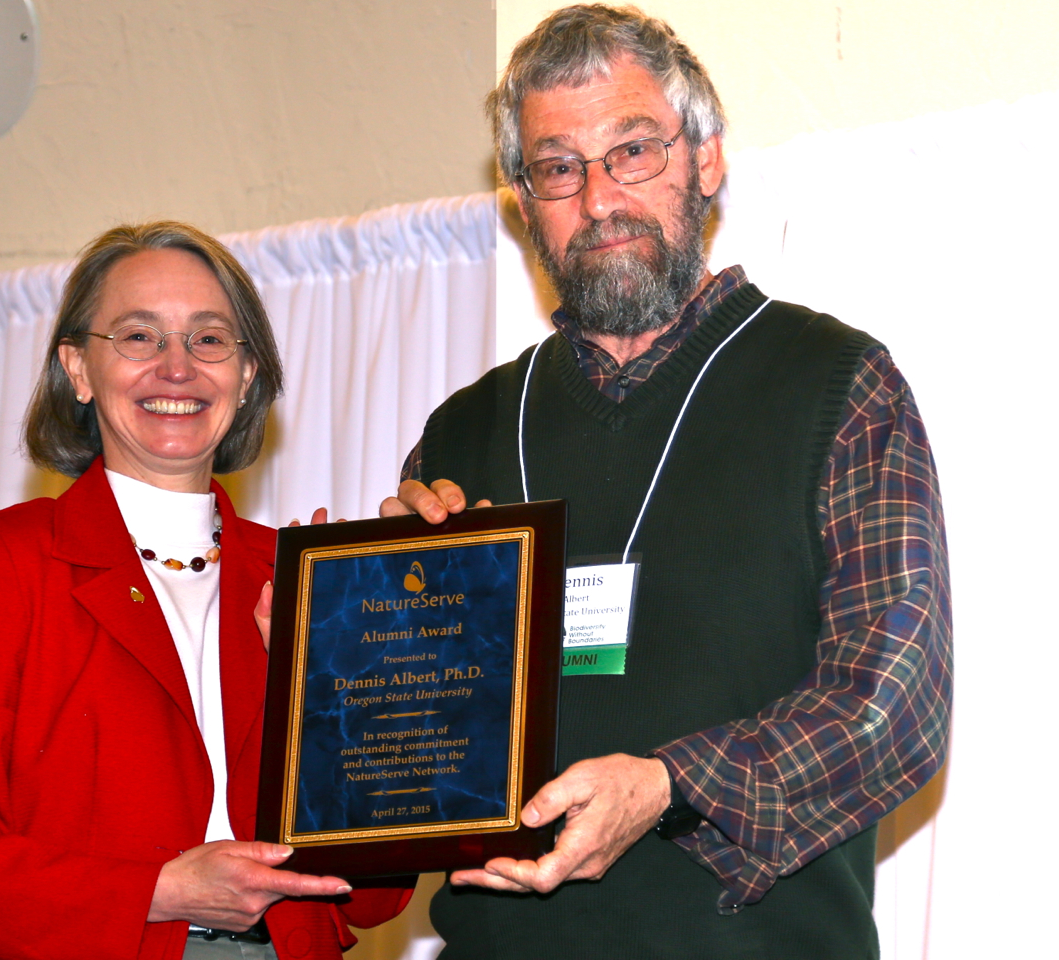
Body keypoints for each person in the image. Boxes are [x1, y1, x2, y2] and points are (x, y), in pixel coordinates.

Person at [381, 6, 951, 958]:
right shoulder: (464, 431)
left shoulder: (837, 384)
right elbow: (415, 763)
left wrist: (671, 786)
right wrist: (359, 637)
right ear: (525, 201)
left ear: (706, 161)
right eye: (558, 166)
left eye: (633, 151)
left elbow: (893, 705)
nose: (599, 198)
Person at [0, 221, 408, 960]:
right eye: (138, 336)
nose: (176, 366)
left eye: (210, 339)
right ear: (78, 369)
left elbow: (376, 892)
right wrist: (159, 891)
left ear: (247, 377)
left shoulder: (302, 576)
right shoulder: (2, 562)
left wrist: (331, 700)